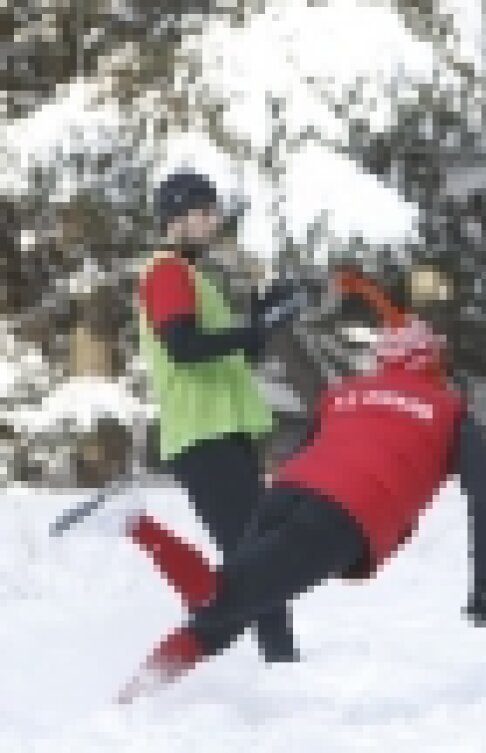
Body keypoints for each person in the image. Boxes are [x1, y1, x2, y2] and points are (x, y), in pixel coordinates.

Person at [117, 317, 486, 701]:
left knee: (229, 612)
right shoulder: (449, 412)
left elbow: (304, 455)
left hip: (286, 494)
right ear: (433, 362)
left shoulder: (343, 395)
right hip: (345, 513)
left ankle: (131, 699)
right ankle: (134, 523)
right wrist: (484, 588)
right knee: (221, 598)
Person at [133, 169, 303, 662]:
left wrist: (262, 320)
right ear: (176, 218)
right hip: (201, 435)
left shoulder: (194, 279)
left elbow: (228, 358)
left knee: (255, 557)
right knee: (256, 559)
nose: (212, 222)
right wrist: (253, 331)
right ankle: (270, 661)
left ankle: (253, 658)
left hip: (221, 433)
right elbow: (183, 346)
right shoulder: (166, 271)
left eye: (213, 212)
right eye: (203, 212)